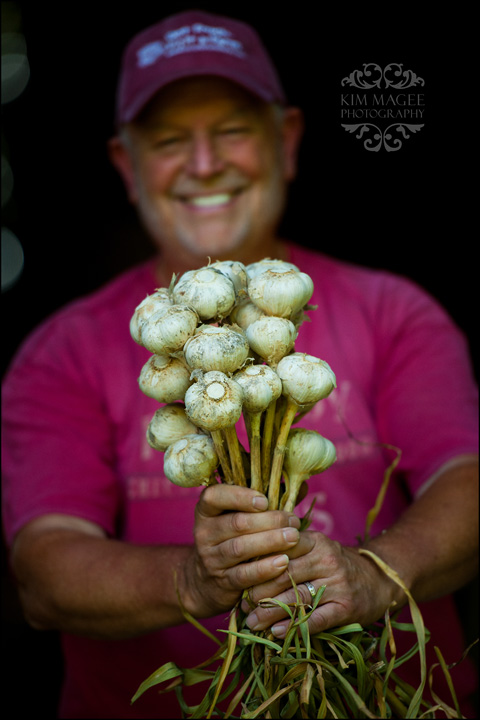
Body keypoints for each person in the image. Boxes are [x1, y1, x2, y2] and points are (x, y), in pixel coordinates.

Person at [2, 9, 478, 719]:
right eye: (168, 141)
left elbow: (465, 478)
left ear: (285, 142)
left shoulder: (395, 310)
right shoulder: (61, 351)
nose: (203, 164)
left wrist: (377, 573)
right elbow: (43, 575)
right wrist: (193, 581)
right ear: (125, 167)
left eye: (230, 131)